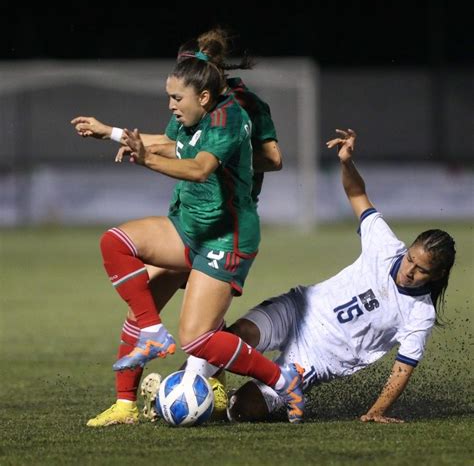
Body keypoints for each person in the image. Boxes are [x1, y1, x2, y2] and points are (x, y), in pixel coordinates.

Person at [72, 31, 304, 428]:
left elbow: (200, 167)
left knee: (198, 336)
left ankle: (282, 381)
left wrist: (230, 159)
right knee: (122, 259)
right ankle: (128, 399)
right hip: (189, 221)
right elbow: (173, 143)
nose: (171, 104)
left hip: (224, 233)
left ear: (205, 85)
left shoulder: (237, 111)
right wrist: (111, 132)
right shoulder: (193, 108)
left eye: (176, 95)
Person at [145, 128, 456, 424]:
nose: (409, 270)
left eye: (421, 270)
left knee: (242, 409)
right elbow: (358, 194)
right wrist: (346, 162)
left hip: (315, 359)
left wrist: (376, 410)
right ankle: (171, 398)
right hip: (299, 310)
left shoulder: (420, 315)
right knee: (235, 336)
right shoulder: (387, 247)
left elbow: (403, 369)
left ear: (437, 274)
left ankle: (222, 400)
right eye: (410, 259)